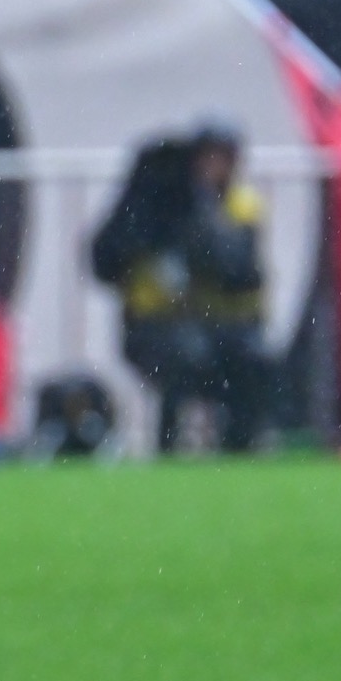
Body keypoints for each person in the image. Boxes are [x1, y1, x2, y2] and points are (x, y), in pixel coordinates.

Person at [92, 120, 271, 452]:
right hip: (157, 323)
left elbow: (239, 272)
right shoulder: (150, 209)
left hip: (223, 323)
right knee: (187, 354)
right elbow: (105, 262)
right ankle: (170, 443)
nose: (215, 167)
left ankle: (240, 446)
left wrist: (205, 213)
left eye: (223, 157)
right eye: (208, 157)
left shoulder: (240, 206)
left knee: (253, 359)